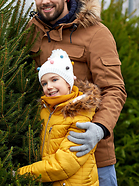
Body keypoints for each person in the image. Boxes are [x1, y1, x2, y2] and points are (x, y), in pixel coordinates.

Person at [27, 0, 127, 185]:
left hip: (90, 152)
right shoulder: (31, 33)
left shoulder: (96, 34)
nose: (45, 1)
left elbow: (114, 89)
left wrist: (99, 129)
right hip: (46, 157)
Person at [17, 49, 101, 186]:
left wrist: (21, 173)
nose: (49, 87)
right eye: (44, 83)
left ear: (68, 82)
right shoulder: (45, 110)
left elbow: (64, 165)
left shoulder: (79, 113)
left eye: (54, 80)